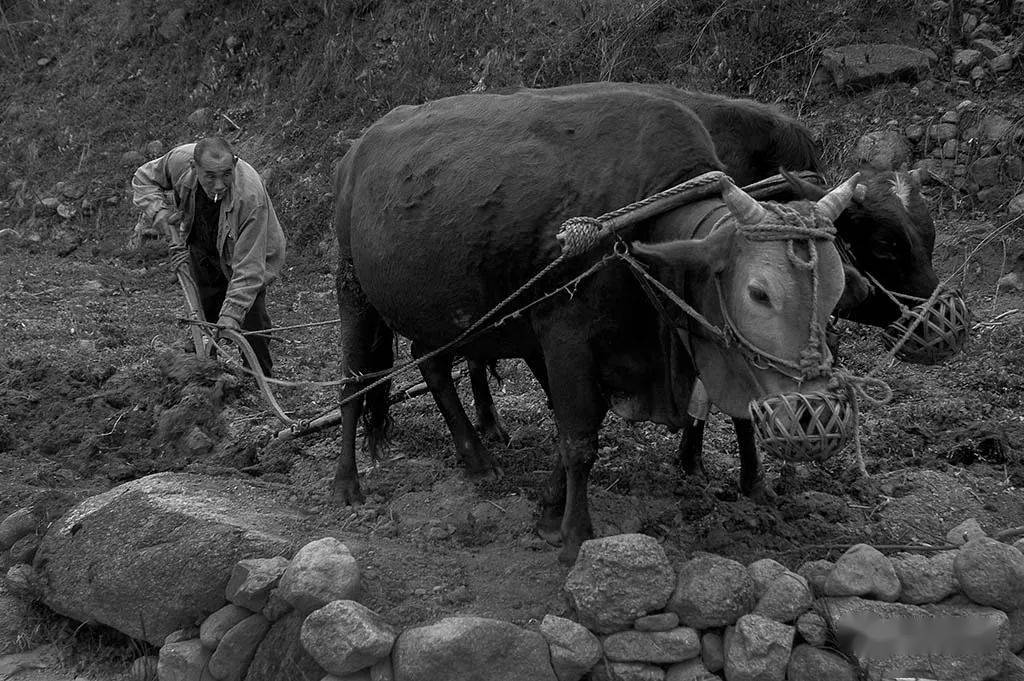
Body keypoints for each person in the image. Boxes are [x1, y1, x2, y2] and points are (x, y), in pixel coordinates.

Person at [132, 137, 285, 376]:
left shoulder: (249, 198)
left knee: (252, 321)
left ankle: (259, 380)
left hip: (249, 255)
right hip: (202, 246)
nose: (218, 185)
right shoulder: (179, 162)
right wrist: (161, 215)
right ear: (194, 167)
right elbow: (143, 179)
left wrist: (232, 313)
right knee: (203, 315)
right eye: (210, 176)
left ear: (234, 163)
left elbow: (249, 268)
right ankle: (206, 376)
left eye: (226, 174)